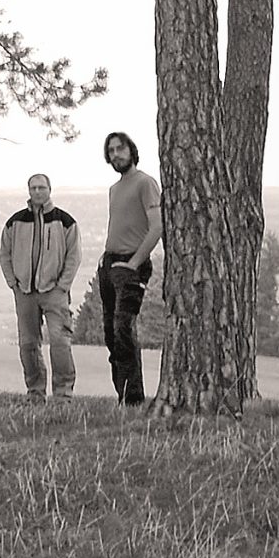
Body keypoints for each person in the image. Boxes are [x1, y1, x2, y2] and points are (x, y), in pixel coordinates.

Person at [0, 173, 81, 403]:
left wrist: (62, 286)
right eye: (33, 187)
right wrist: (13, 284)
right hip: (24, 293)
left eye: (41, 187)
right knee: (28, 345)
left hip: (55, 293)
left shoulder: (65, 221)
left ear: (49, 189)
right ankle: (35, 392)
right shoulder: (15, 222)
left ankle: (63, 394)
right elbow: (5, 254)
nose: (37, 192)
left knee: (60, 343)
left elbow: (74, 257)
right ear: (28, 190)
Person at [99, 132, 162, 407]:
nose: (115, 155)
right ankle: (122, 395)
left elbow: (157, 226)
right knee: (111, 333)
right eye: (111, 151)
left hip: (131, 266)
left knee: (124, 328)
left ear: (131, 151)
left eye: (120, 149)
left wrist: (134, 263)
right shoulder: (114, 188)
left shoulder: (146, 183)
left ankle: (134, 399)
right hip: (110, 264)